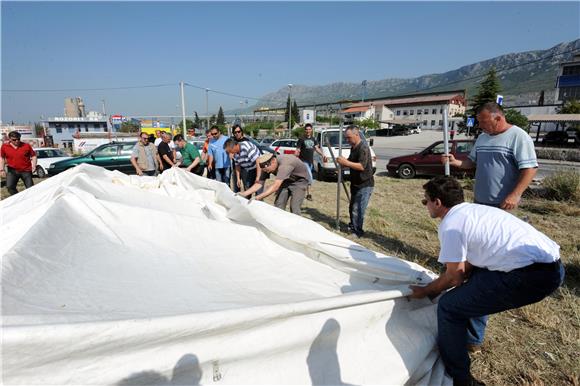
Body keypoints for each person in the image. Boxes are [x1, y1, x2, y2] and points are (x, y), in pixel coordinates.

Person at [410, 176, 564, 386]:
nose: (424, 205)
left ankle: (460, 378)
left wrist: (427, 290)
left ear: (437, 202)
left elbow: (454, 277)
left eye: (425, 200)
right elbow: (469, 266)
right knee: (476, 281)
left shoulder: (451, 225)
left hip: (531, 276)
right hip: (553, 266)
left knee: (449, 306)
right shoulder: (475, 211)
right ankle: (471, 341)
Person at [442, 102, 537, 210]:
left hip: (504, 203)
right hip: (479, 201)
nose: (480, 126)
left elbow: (530, 169)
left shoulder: (519, 136)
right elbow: (472, 162)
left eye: (484, 122)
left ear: (498, 119)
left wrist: (515, 195)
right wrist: (455, 162)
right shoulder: (482, 137)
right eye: (479, 122)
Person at [336, 125, 374, 238]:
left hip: (365, 184)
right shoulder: (353, 147)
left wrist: (346, 163)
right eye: (346, 138)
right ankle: (353, 226)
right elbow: (351, 162)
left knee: (358, 209)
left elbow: (362, 166)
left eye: (349, 137)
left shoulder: (363, 147)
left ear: (356, 135)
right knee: (352, 207)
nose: (347, 140)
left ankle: (358, 232)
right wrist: (343, 165)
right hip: (355, 182)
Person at [241, 153, 309, 215]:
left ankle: (296, 226)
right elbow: (259, 184)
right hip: (285, 180)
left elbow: (275, 186)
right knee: (278, 205)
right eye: (265, 171)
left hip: (299, 181)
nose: (267, 172)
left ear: (273, 161)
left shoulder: (286, 163)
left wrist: (257, 197)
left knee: (294, 208)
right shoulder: (266, 165)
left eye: (267, 170)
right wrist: (244, 194)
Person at [295, 123, 327, 201]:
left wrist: (322, 155)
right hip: (303, 161)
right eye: (307, 129)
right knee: (310, 176)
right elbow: (298, 149)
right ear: (305, 130)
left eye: (309, 129)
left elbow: (316, 148)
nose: (308, 131)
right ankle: (305, 193)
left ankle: (308, 194)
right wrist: (295, 155)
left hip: (310, 162)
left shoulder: (313, 139)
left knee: (306, 178)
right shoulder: (301, 139)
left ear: (312, 130)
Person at [0, 131, 37, 195]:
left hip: (26, 170)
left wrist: (34, 166)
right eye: (14, 140)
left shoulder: (26, 146)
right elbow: (2, 158)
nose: (17, 141)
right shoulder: (4, 147)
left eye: (18, 139)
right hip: (12, 171)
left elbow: (33, 156)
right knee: (10, 186)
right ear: (10, 139)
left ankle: (32, 200)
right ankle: (18, 198)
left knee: (30, 188)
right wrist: (2, 169)